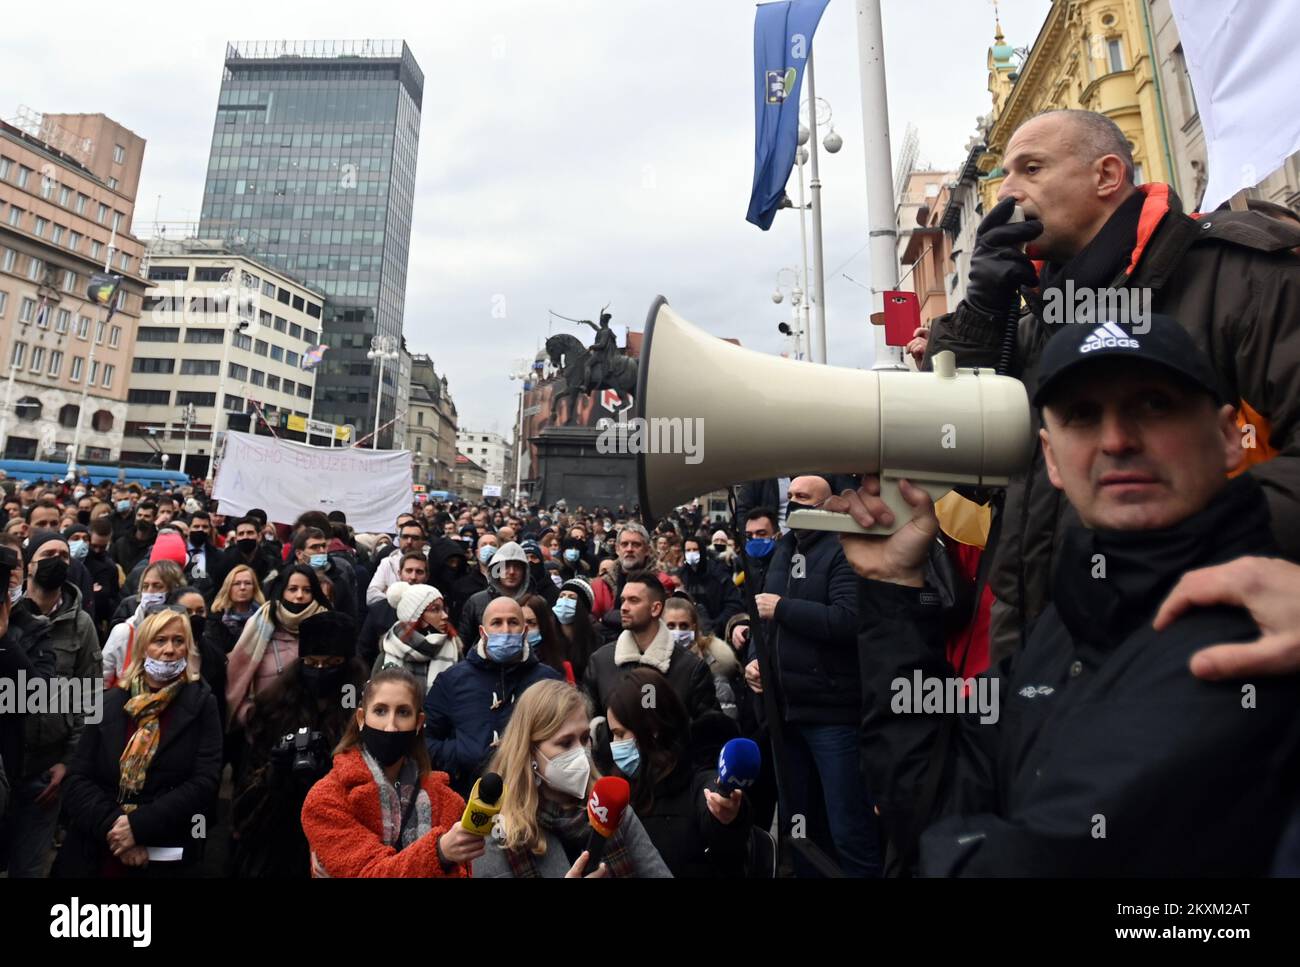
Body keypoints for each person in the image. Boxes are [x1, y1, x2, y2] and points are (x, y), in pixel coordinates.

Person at [846, 314, 1300, 875]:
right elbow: (928, 801)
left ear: (1230, 437)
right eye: (1083, 416)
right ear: (1052, 459)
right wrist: (894, 587)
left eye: (1155, 404)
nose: (1116, 441)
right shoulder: (1068, 625)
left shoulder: (1262, 629)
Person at [924, 108, 1300, 663]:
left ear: (1106, 176)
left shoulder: (1239, 275)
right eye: (1004, 175)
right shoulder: (1031, 316)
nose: (1007, 193)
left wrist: (1165, 547)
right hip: (1039, 653)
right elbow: (949, 446)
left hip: (1204, 645)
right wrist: (981, 312)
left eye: (1031, 169)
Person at [55, 609, 221, 877]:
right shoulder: (109, 704)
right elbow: (77, 779)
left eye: (178, 641)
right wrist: (116, 828)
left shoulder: (202, 704)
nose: (169, 650)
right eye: (160, 640)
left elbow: (204, 782)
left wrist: (139, 827)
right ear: (143, 648)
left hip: (166, 849)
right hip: (98, 847)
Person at [472, 679, 671, 878]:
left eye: (585, 738)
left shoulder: (613, 811)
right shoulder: (500, 834)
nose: (581, 753)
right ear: (530, 752)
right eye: (565, 743)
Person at [301, 667, 480, 877]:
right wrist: (438, 852)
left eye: (403, 712)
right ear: (361, 718)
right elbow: (366, 872)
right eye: (380, 711)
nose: (391, 726)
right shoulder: (326, 799)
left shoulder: (448, 802)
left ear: (418, 723)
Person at [229, 610, 364, 878]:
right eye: (312, 663)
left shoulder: (363, 713)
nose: (320, 671)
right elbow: (246, 793)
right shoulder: (272, 708)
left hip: (338, 837)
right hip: (278, 837)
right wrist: (274, 771)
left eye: (332, 663)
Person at [4, 531, 101, 876]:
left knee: (28, 869)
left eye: (63, 555)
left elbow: (89, 695)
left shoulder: (80, 624)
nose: (56, 561)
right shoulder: (7, 616)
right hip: (4, 762)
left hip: (46, 771)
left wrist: (68, 763)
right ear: (28, 566)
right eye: (47, 554)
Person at [595, 668, 750, 877]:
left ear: (652, 729)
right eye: (612, 735)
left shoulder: (698, 781)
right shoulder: (617, 790)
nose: (615, 745)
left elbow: (721, 821)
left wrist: (727, 813)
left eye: (621, 734)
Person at [423, 596, 562, 796]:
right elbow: (426, 741)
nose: (505, 630)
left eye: (513, 622)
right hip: (468, 799)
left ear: (524, 631)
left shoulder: (549, 680)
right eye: (496, 623)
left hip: (532, 797)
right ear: (483, 632)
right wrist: (463, 754)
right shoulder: (452, 680)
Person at [584, 572, 719, 721]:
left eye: (633, 600)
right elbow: (589, 722)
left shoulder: (691, 668)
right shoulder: (601, 661)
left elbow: (709, 731)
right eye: (623, 600)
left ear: (655, 609)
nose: (623, 607)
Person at [225, 564, 330, 730]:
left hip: (315, 728)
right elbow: (235, 677)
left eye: (307, 590)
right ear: (282, 591)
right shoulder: (259, 623)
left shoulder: (328, 626)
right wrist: (248, 715)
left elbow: (346, 683)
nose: (299, 596)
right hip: (263, 731)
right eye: (293, 589)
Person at [101, 560, 186, 689]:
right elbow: (102, 680)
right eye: (146, 586)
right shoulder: (124, 631)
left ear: (173, 590)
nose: (150, 592)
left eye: (157, 586)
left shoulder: (184, 631)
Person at [663, 595, 742, 721]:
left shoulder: (713, 666)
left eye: (683, 626)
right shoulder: (649, 664)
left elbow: (726, 719)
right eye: (671, 626)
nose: (677, 632)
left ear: (693, 628)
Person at [376, 581, 459, 700]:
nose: (445, 615)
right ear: (416, 616)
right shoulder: (391, 648)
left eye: (443, 609)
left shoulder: (453, 646)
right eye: (435, 609)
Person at [359, 552, 430, 666]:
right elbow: (364, 651)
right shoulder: (379, 610)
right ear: (399, 574)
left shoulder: (434, 610)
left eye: (419, 572)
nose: (413, 577)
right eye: (408, 571)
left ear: (427, 576)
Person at [456, 541, 534, 643]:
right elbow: (465, 641)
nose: (511, 572)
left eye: (517, 567)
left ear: (525, 571)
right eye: (505, 566)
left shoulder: (534, 602)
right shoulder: (476, 602)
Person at [676, 535, 744, 636]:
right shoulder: (681, 575)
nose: (691, 553)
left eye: (695, 550)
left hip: (716, 630)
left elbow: (733, 603)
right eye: (688, 550)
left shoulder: (718, 573)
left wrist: (717, 624)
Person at [366, 520, 429, 606]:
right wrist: (397, 599)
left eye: (415, 538)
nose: (409, 541)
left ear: (423, 542)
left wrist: (386, 592)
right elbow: (371, 596)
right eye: (405, 537)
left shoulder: (430, 562)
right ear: (399, 540)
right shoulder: (387, 562)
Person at [522, 593, 569, 682]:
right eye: (519, 622)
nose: (525, 628)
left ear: (543, 626)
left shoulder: (559, 668)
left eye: (531, 623)